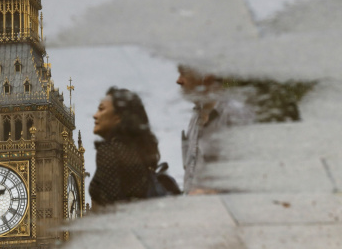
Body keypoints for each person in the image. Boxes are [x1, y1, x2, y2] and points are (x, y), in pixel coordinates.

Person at [176, 64, 254, 194]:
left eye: (183, 74)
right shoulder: (196, 117)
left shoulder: (236, 115)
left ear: (207, 76)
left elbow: (251, 175)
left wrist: (209, 192)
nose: (179, 81)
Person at [89, 87, 160, 206]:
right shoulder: (137, 151)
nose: (95, 115)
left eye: (101, 109)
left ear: (118, 117)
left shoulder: (109, 150)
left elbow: (111, 207)